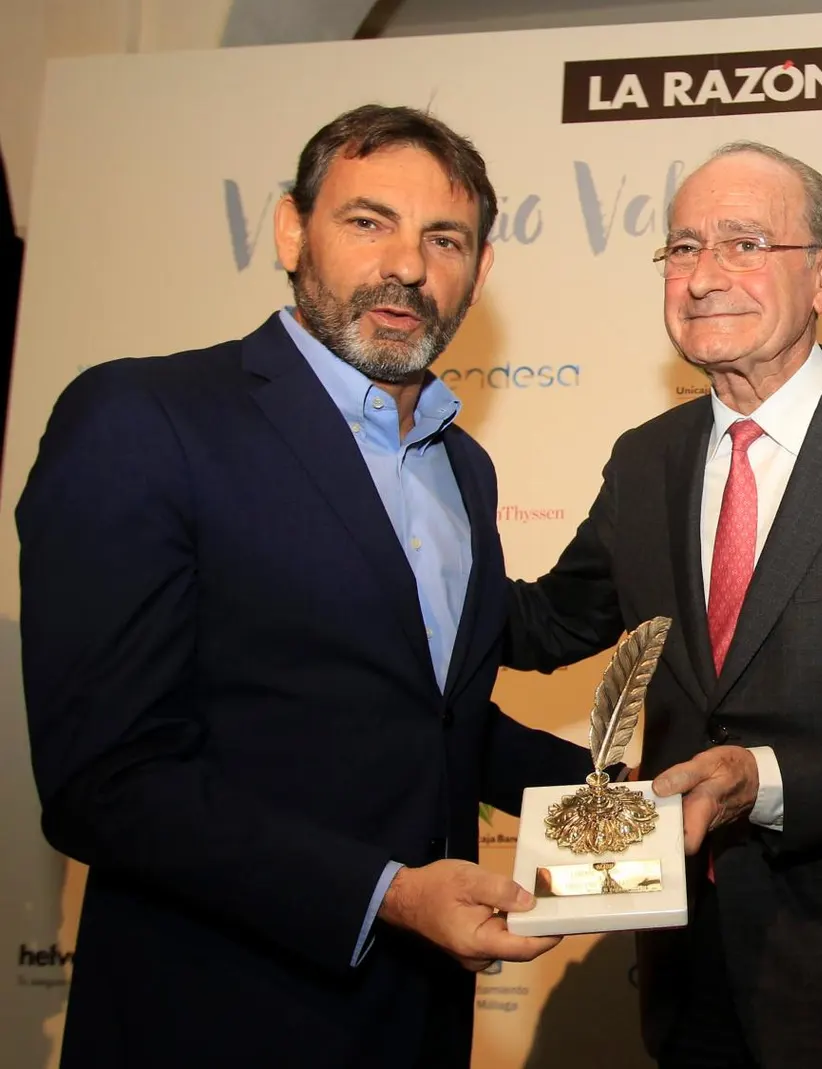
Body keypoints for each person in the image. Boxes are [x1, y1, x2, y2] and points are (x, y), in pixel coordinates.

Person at [17, 105, 591, 1068]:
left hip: (419, 1021)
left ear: (480, 270)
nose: (407, 265)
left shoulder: (464, 469)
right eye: (368, 222)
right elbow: (105, 781)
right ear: (291, 230)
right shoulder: (144, 418)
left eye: (443, 238)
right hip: (212, 1017)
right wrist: (388, 895)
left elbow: (434, 725)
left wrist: (627, 796)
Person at [504, 141, 822, 1069]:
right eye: (684, 247)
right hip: (688, 969)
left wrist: (767, 779)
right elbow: (550, 622)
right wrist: (397, 552)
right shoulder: (646, 457)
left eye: (744, 243)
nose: (704, 277)